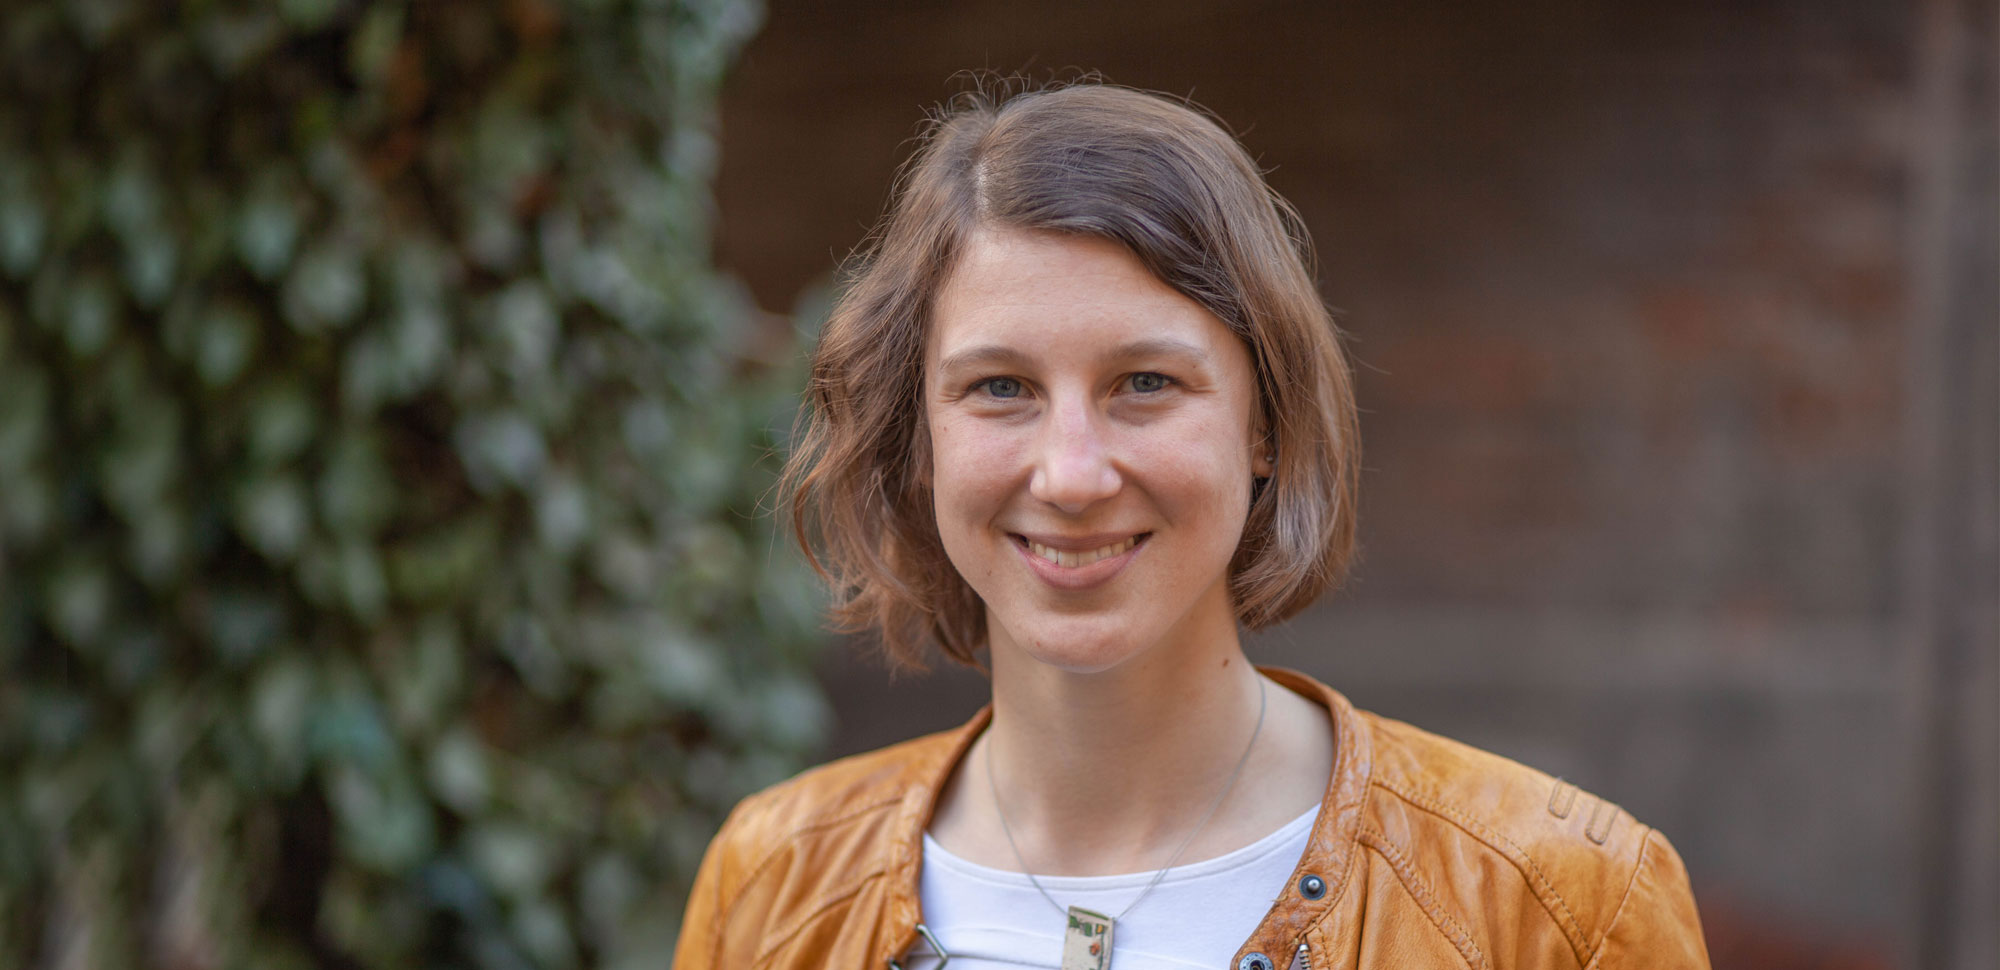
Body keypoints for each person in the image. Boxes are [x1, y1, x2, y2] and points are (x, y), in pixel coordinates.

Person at [672, 81, 1711, 970]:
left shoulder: (1559, 907)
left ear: (1263, 423)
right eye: (999, 386)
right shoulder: (771, 885)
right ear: (918, 434)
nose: (1071, 473)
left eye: (1144, 382)